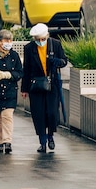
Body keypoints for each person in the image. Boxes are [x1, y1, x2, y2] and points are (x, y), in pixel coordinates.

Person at [22, 23, 68, 153]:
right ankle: (42, 142)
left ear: (47, 36)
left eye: (43, 39)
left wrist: (59, 62)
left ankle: (50, 136)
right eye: (38, 40)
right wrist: (24, 89)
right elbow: (26, 69)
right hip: (35, 85)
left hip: (52, 85)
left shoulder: (55, 44)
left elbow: (64, 60)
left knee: (52, 113)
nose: (41, 42)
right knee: (39, 114)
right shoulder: (29, 48)